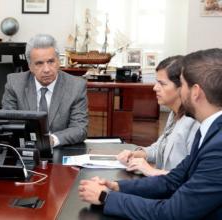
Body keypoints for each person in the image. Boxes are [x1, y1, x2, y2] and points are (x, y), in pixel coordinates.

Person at [78, 48, 222, 219]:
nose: (180, 91)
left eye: (182, 84)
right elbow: (172, 181)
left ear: (196, 92)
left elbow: (172, 213)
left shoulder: (217, 146)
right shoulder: (210, 129)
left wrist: (105, 197)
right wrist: (115, 186)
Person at [117, 56, 199, 176]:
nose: (155, 88)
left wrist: (151, 171)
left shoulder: (194, 123)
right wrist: (138, 153)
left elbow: (191, 178)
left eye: (162, 84)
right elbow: (161, 148)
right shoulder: (174, 113)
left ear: (182, 87)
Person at [1, 34, 88, 147]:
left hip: (60, 150)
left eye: (51, 61)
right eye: (39, 63)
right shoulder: (15, 84)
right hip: (25, 149)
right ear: (30, 66)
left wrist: (51, 140)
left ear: (58, 62)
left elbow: (79, 129)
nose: (46, 69)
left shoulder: (76, 86)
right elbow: (7, 123)